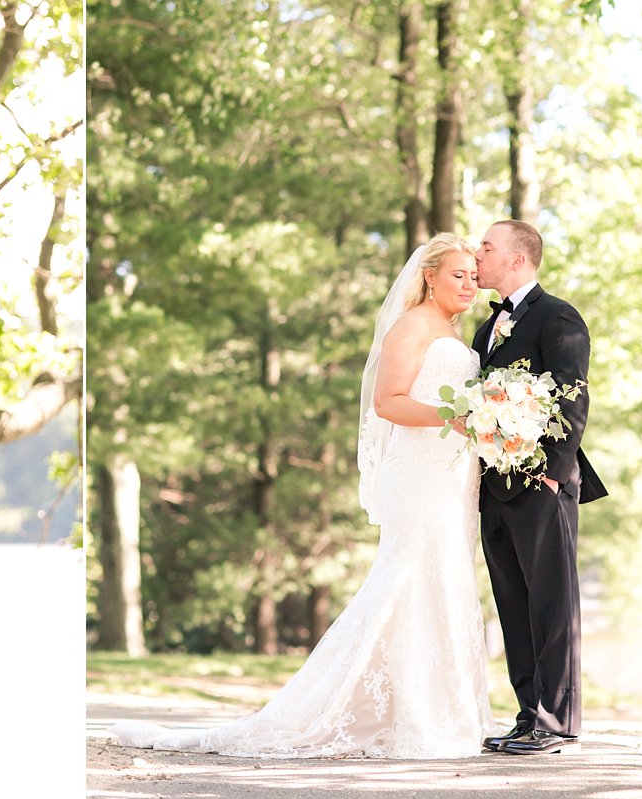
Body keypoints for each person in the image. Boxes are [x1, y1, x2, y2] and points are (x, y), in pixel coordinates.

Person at [113, 233, 493, 758]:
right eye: (459, 274)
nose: (470, 284)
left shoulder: (454, 331)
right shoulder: (411, 326)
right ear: (429, 275)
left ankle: (435, 712)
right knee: (409, 577)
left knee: (444, 578)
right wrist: (460, 416)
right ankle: (407, 717)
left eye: (474, 275)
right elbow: (387, 403)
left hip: (453, 475)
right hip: (420, 475)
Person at [472, 220, 606, 755]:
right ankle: (529, 715)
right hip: (494, 487)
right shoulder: (486, 330)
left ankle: (557, 722)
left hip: (543, 483)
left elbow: (573, 395)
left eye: (486, 247)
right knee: (513, 604)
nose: (477, 255)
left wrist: (551, 469)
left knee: (552, 604)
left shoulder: (558, 316)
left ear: (517, 259)